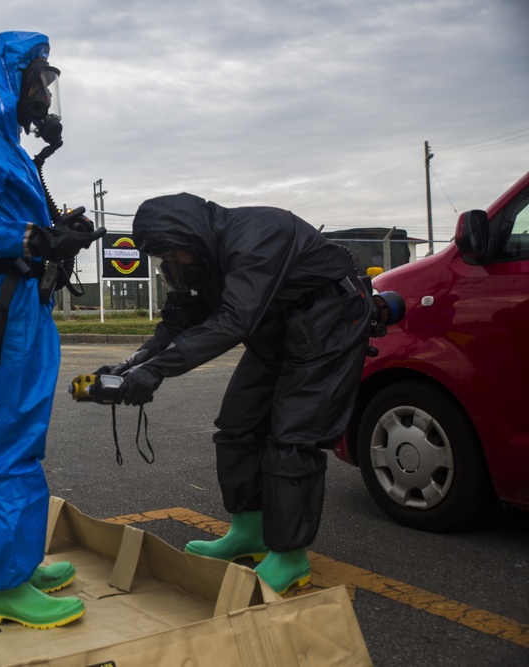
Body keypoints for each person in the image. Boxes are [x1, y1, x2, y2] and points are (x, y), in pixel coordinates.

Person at [96, 193, 372, 594]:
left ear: (188, 238)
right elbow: (178, 320)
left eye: (170, 255)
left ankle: (290, 556)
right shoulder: (200, 257)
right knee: (237, 426)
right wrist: (134, 362)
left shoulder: (260, 235)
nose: (169, 266)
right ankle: (250, 532)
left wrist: (155, 373)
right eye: (162, 259)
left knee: (293, 439)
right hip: (276, 332)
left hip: (329, 326)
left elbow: (233, 321)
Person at [0, 31, 104, 628]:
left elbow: (11, 217)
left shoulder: (5, 145)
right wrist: (35, 239)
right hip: (3, 306)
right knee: (2, 438)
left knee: (23, 435)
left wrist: (60, 227)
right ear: (5, 81)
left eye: (46, 80)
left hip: (25, 305)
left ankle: (18, 560)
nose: (43, 90)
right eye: (35, 78)